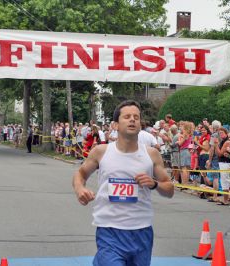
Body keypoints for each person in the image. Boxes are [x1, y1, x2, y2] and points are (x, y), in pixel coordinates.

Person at [72, 100, 174, 266]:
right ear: (116, 125)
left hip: (141, 231)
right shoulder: (101, 152)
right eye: (127, 117)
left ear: (141, 124)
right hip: (109, 230)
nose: (132, 120)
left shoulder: (152, 154)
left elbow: (169, 189)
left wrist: (154, 183)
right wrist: (80, 189)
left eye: (136, 117)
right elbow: (80, 174)